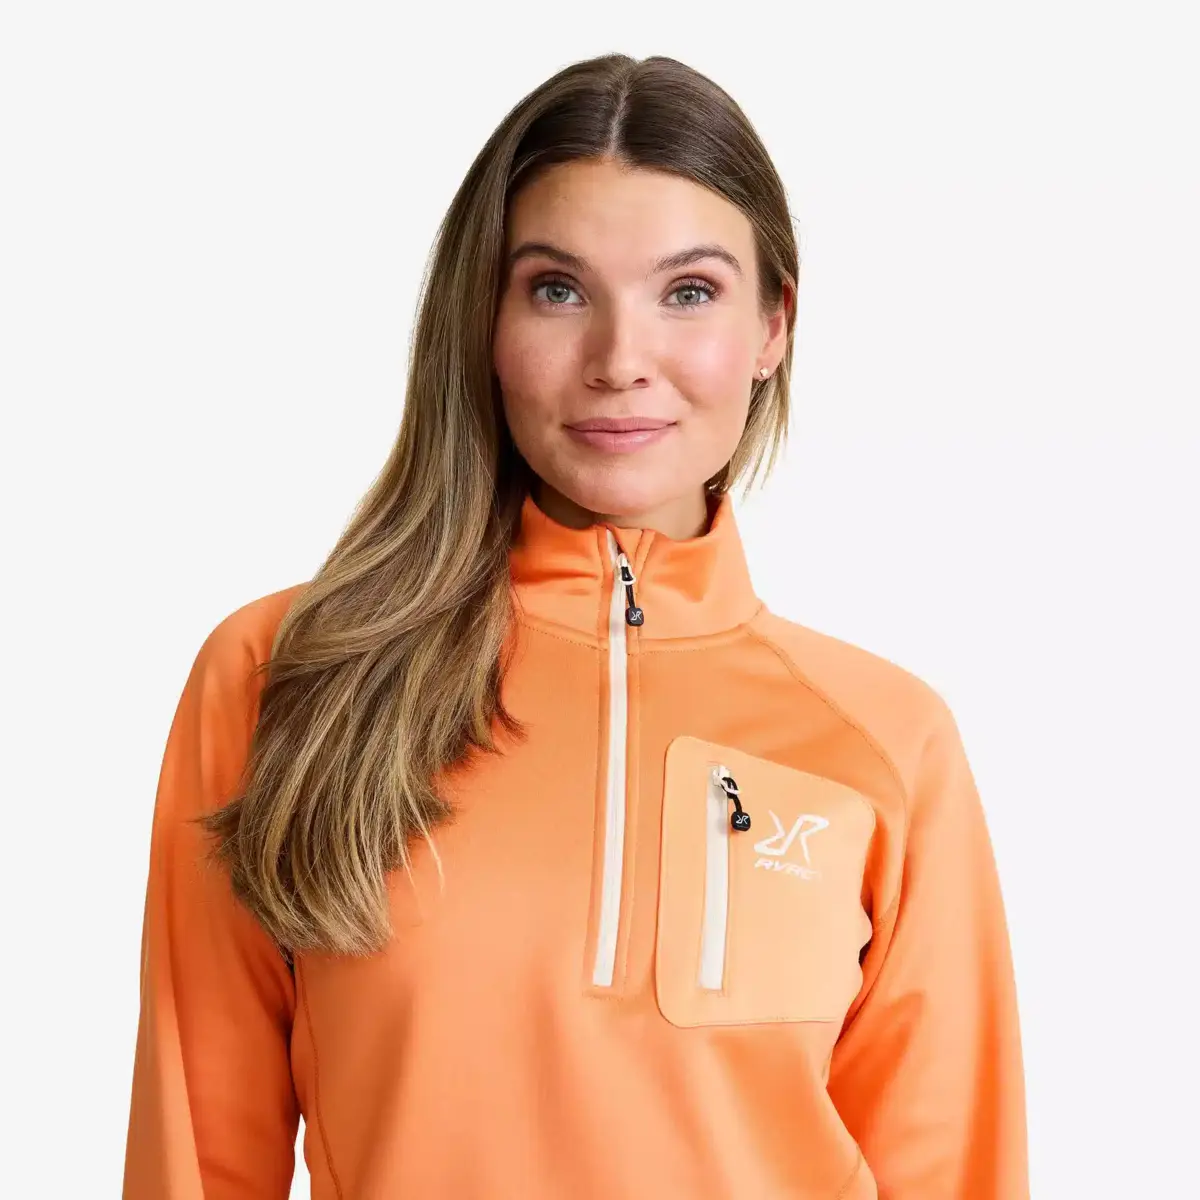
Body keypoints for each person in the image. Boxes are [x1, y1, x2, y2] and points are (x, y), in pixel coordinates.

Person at [123, 52, 1029, 1200]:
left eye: (688, 292)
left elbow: (954, 1174)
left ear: (772, 326)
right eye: (558, 290)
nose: (619, 363)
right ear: (485, 319)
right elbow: (197, 1158)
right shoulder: (286, 676)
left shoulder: (887, 741)